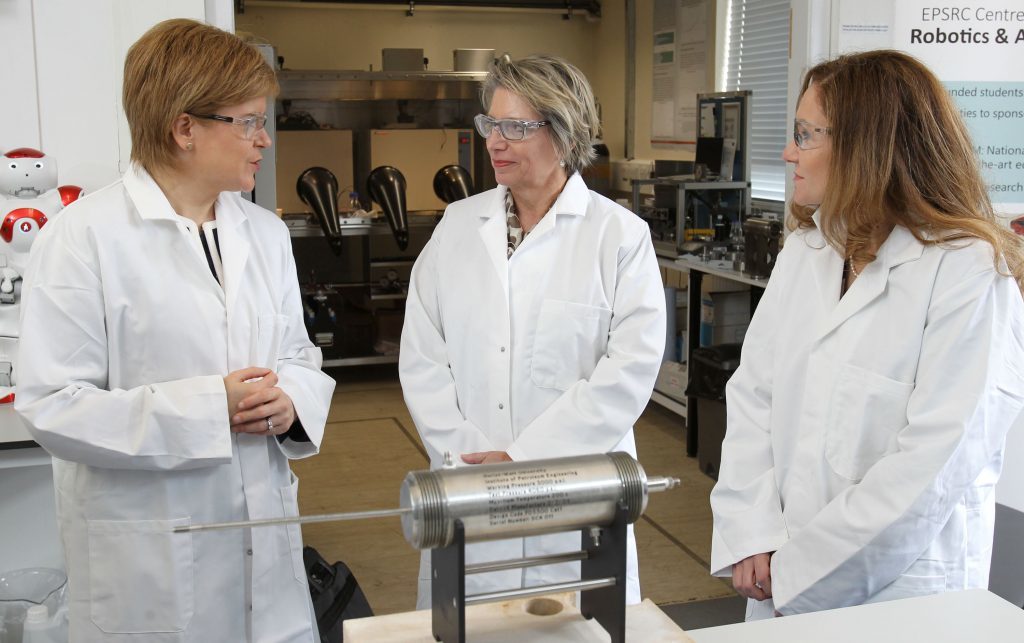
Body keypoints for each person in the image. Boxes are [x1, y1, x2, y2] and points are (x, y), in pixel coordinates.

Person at [14, 19, 335, 641]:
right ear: (184, 127)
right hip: (147, 569)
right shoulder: (83, 238)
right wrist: (213, 406)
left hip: (264, 553)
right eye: (246, 122)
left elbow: (298, 352)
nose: (263, 140)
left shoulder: (263, 234)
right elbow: (53, 406)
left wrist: (289, 400)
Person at [710, 49, 1024, 620]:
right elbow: (754, 396)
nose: (788, 152)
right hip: (774, 569)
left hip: (899, 592)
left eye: (806, 135)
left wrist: (800, 570)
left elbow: (933, 463)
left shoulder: (969, 272)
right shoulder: (808, 249)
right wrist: (752, 531)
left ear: (868, 145)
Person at [399, 54, 666, 607]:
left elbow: (629, 373)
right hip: (467, 487)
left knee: (574, 625)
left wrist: (522, 465)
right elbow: (423, 357)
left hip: (574, 498)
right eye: (490, 124)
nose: (495, 141)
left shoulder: (619, 238)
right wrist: (472, 457)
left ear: (565, 134)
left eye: (517, 127)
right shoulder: (457, 227)